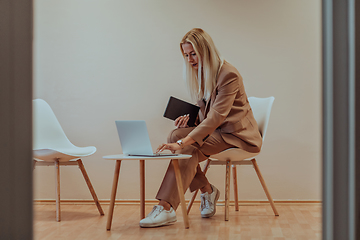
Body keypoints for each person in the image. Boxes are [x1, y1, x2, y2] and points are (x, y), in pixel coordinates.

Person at [139, 28, 263, 228]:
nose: (190, 59)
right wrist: (189, 123)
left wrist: (182, 142)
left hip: (236, 137)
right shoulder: (202, 75)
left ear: (206, 50)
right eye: (186, 55)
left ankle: (166, 207)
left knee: (186, 146)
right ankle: (207, 190)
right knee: (175, 134)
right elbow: (207, 115)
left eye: (194, 53)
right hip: (219, 132)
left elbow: (216, 117)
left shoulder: (227, 74)